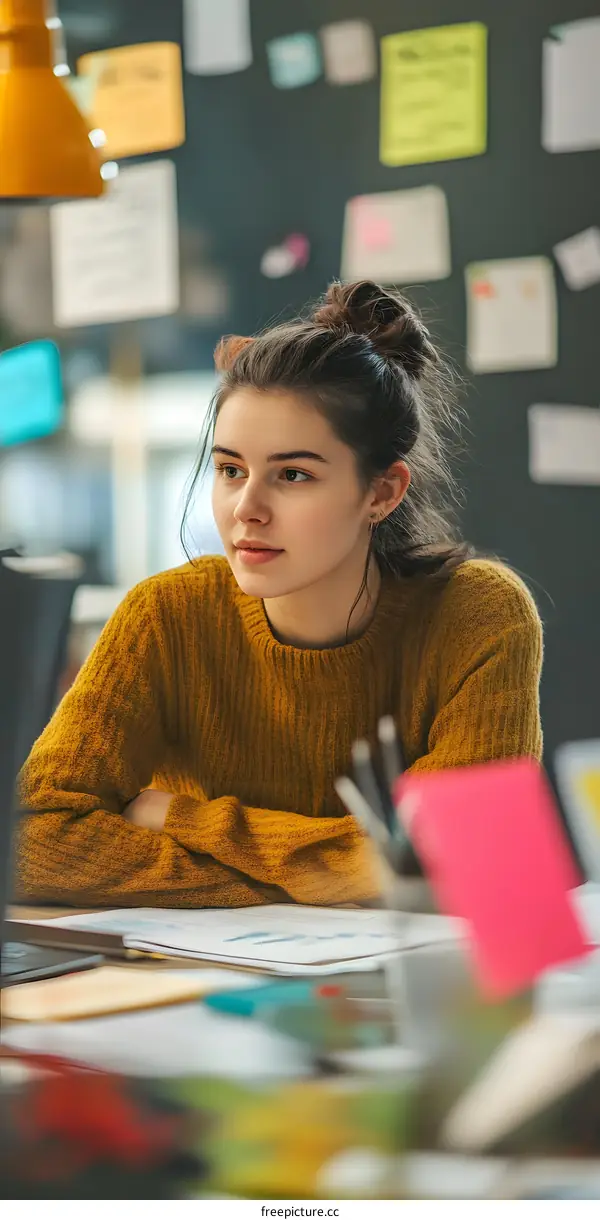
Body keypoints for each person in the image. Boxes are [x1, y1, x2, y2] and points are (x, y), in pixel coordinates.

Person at [16, 281, 543, 910]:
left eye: (293, 475)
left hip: (418, 991)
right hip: (192, 985)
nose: (247, 509)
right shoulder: (166, 615)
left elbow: (464, 857)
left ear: (381, 492)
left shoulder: (478, 615)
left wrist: (183, 820)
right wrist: (318, 880)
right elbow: (29, 837)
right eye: (231, 470)